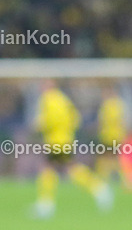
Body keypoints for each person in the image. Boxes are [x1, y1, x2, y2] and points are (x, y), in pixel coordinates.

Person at [31, 80, 112, 218]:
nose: (41, 88)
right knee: (67, 168)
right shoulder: (63, 99)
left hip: (56, 141)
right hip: (66, 139)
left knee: (51, 168)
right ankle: (99, 189)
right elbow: (76, 119)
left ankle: (46, 205)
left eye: (42, 85)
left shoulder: (49, 99)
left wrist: (41, 125)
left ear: (49, 86)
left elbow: (50, 120)